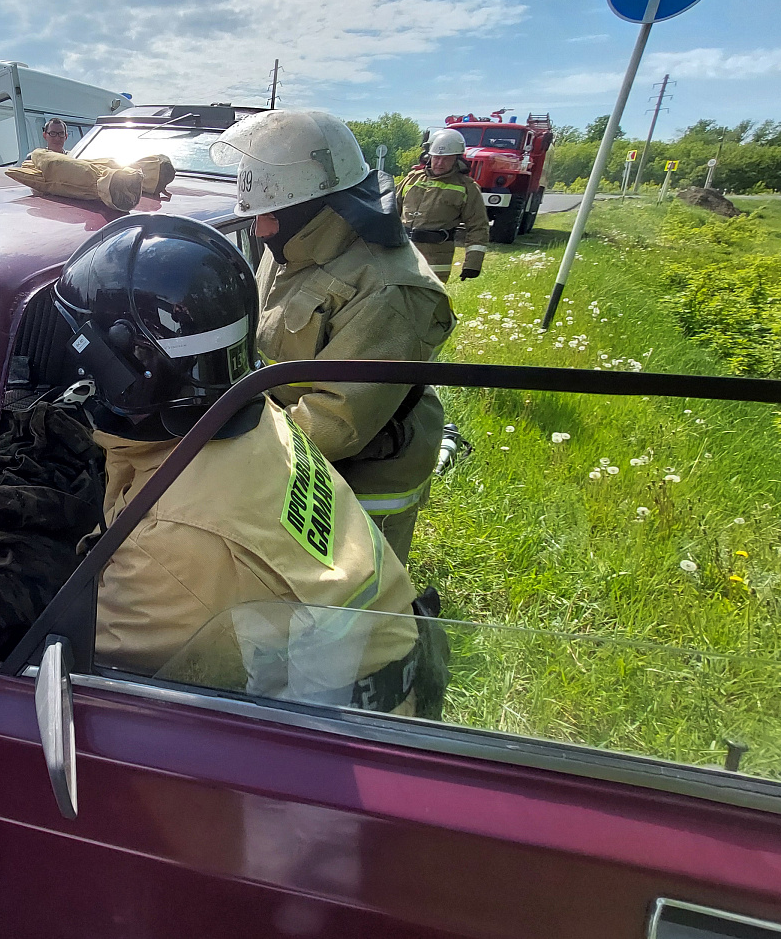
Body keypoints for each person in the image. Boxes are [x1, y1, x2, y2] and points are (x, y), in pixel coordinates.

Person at [55, 213, 441, 716]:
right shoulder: (257, 419)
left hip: (334, 745)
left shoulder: (169, 539)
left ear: (128, 367)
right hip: (390, 682)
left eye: (83, 346)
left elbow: (90, 682)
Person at [210, 110, 454, 564]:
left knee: (355, 603)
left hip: (366, 476)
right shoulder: (294, 243)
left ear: (319, 203)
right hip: (288, 446)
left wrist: (230, 447)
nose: (259, 229)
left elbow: (338, 423)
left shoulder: (388, 289)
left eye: (270, 215)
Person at [397, 127, 490, 282]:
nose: (440, 163)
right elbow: (389, 210)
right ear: (428, 157)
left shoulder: (467, 187)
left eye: (446, 158)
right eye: (436, 157)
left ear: (457, 159)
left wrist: (472, 263)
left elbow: (478, 226)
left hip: (437, 256)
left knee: (429, 301)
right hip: (403, 251)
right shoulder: (412, 179)